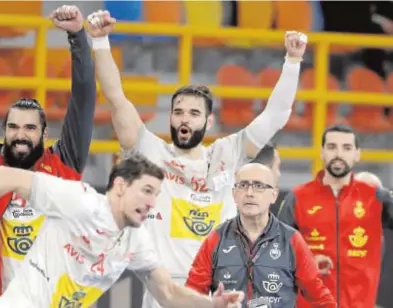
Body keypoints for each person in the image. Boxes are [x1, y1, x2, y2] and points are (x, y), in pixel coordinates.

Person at [86, 10, 307, 308]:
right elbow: (115, 97)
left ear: (209, 121)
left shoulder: (229, 153)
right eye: (178, 112)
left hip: (220, 289)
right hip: (164, 293)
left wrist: (292, 62)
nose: (184, 119)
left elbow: (276, 115)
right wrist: (99, 42)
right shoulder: (151, 152)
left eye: (194, 113)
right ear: (171, 118)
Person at [0, 154, 245, 308]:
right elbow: (7, 178)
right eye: (146, 190)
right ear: (119, 185)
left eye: (157, 194)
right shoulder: (81, 202)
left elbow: (169, 294)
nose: (152, 202)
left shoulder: (136, 238)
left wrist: (211, 305)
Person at [0, 4, 96, 305]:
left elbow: (84, 99)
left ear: (44, 135)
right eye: (13, 127)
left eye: (29, 128)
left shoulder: (65, 163)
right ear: (4, 131)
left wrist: (77, 37)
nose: (20, 135)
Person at [185, 163, 336, 307]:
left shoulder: (291, 240)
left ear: (274, 195)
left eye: (258, 186)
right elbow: (190, 297)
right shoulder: (216, 239)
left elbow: (321, 299)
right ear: (234, 194)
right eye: (243, 185)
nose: (249, 193)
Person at [277, 124, 393, 308]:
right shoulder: (298, 199)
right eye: (332, 147)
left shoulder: (377, 198)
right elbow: (274, 253)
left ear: (357, 154)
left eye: (346, 148)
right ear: (322, 152)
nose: (339, 154)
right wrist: (304, 264)